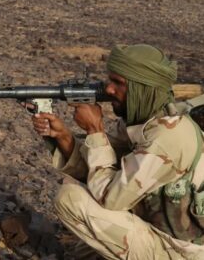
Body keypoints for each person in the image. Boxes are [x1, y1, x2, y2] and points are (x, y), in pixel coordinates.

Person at [32, 44, 204, 259]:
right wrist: (63, 136)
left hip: (184, 252)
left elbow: (110, 197)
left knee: (70, 198)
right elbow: (100, 168)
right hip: (161, 231)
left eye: (118, 83)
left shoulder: (165, 139)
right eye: (110, 80)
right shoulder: (150, 122)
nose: (109, 89)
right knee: (82, 250)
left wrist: (95, 130)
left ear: (143, 88)